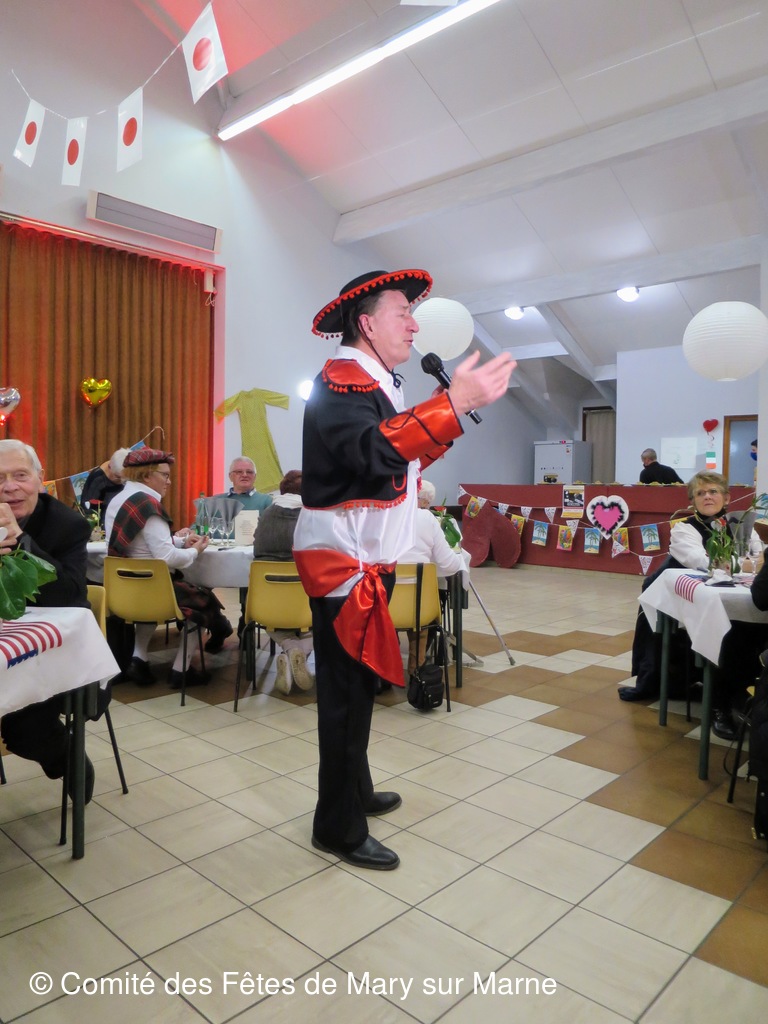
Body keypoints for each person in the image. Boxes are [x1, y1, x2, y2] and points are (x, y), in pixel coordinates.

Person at [293, 268, 514, 870]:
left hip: (364, 559)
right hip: (344, 564)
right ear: (366, 324)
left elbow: (396, 459)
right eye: (403, 312)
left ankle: (356, 791)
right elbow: (376, 452)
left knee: (359, 687)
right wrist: (451, 405)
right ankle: (336, 826)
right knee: (344, 697)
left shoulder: (369, 384)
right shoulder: (341, 380)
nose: (414, 324)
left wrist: (446, 414)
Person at [619, 471, 763, 739]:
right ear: (692, 501)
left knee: (752, 629)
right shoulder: (684, 529)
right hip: (684, 604)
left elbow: (758, 555)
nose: (707, 496)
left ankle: (743, 694)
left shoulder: (742, 525)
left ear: (726, 498)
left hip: (732, 597)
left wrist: (747, 563)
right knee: (724, 632)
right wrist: (746, 563)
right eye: (700, 493)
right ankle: (719, 704)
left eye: (713, 491)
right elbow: (702, 561)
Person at [0, 439, 95, 800]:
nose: (9, 487)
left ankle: (68, 758)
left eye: (20, 475)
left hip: (53, 651)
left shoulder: (67, 525)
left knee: (24, 731)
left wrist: (22, 542)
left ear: (40, 478)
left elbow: (69, 594)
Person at [104, 448, 233, 687]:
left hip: (127, 592)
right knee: (204, 601)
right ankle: (181, 670)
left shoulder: (118, 500)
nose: (169, 481)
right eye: (164, 475)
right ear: (146, 476)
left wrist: (182, 541)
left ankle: (138, 660)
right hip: (155, 591)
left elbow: (141, 543)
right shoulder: (148, 505)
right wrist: (195, 551)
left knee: (153, 602)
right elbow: (167, 557)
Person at [252, 469, 314, 694]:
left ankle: (289, 648)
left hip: (268, 604)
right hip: (305, 602)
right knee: (331, 616)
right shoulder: (312, 517)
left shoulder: (266, 515)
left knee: (267, 618)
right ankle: (299, 651)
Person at [399, 481, 469, 676]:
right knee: (424, 612)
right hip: (419, 608)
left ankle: (385, 671)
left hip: (384, 604)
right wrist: (459, 558)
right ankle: (416, 671)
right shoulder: (426, 518)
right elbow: (448, 564)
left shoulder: (384, 515)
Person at [80, 447, 130, 527]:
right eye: (118, 477)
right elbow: (88, 510)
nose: (122, 481)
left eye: (125, 477)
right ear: (110, 467)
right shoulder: (98, 479)